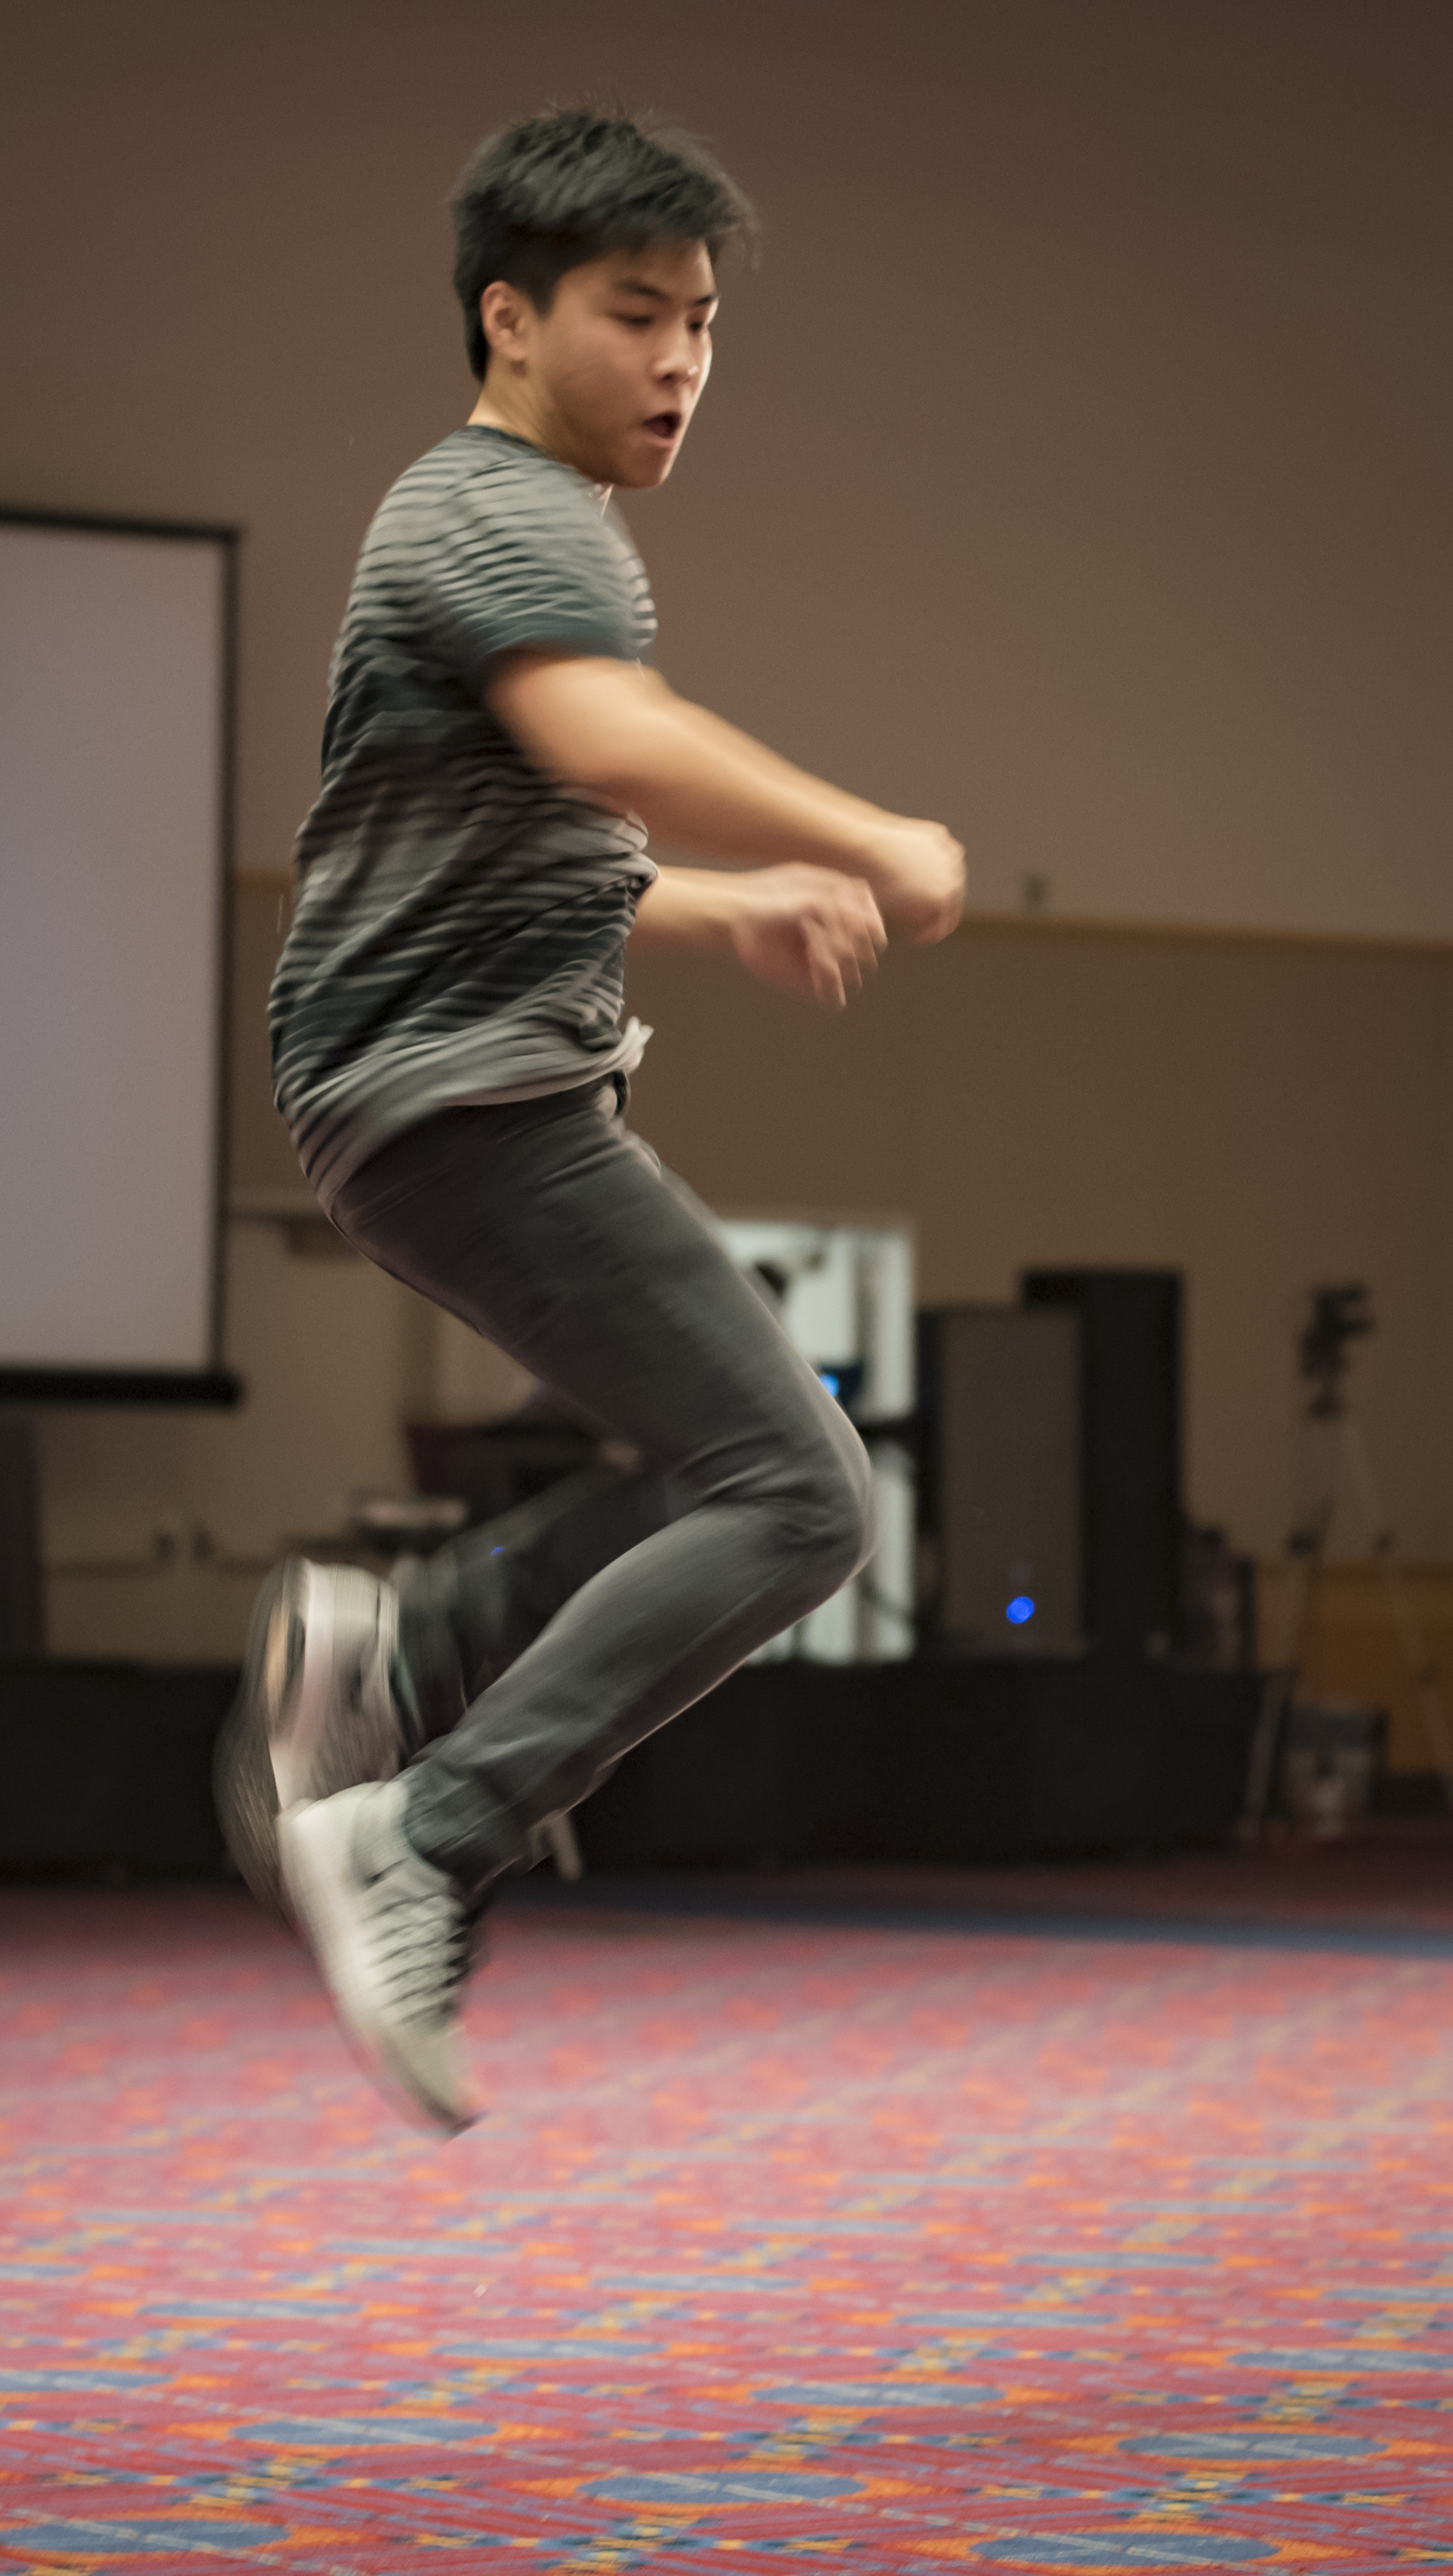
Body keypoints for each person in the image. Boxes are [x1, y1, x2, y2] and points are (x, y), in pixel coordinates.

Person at [215, 108, 964, 2134]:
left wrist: (726, 912)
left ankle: (406, 1648)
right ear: (508, 317)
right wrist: (868, 835)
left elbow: (528, 836)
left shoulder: (517, 529)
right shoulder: (498, 509)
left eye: (703, 324)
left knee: (737, 1470)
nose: (681, 361)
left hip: (434, 1087)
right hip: (460, 1095)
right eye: (637, 314)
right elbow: (607, 740)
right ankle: (422, 1831)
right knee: (801, 1495)